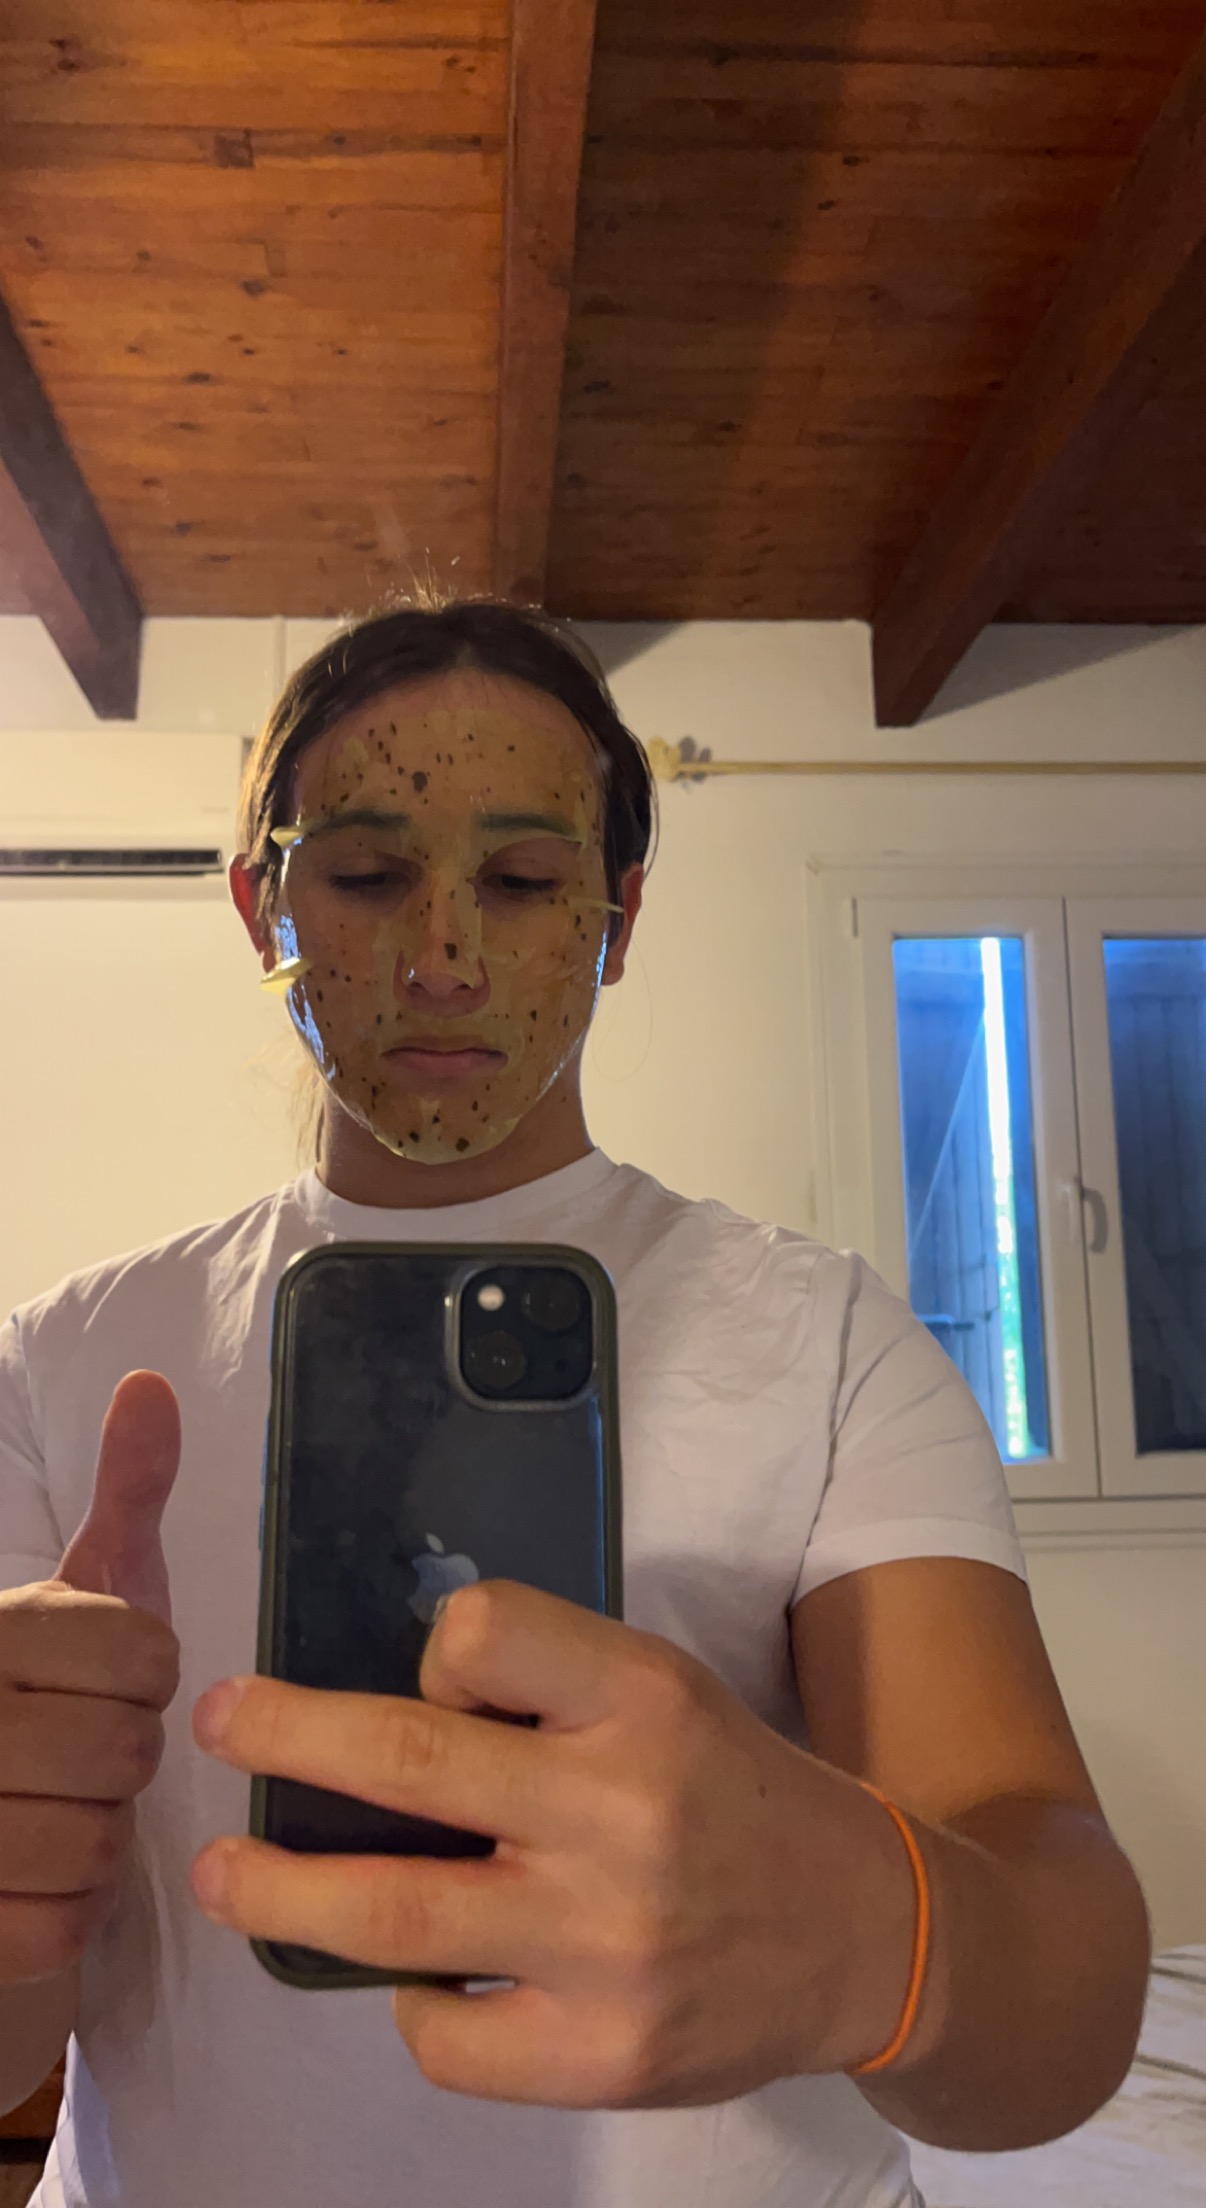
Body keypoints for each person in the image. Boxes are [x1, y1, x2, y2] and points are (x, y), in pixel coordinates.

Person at [0, 598, 1150, 2208]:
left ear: (616, 919)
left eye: (526, 881)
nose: (442, 955)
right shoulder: (60, 1364)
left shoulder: (822, 1340)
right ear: (263, 905)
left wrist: (886, 1941)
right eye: (366, 873)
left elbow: (1059, 2008)